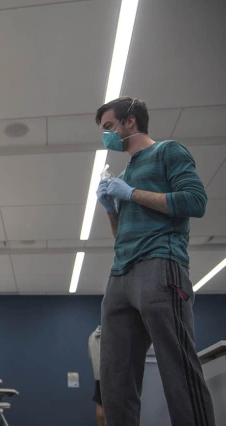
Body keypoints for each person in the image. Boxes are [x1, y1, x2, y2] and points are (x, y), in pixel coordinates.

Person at [95, 97, 215, 426]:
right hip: (120, 275)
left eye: (108, 127)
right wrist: (110, 208)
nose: (106, 135)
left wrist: (130, 193)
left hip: (160, 265)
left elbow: (195, 201)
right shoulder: (126, 171)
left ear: (129, 121)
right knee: (114, 380)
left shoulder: (168, 151)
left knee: (178, 370)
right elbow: (122, 237)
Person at [88, 325, 104, 426]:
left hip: (98, 375)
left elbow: (90, 356)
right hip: (113, 375)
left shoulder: (91, 336)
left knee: (100, 403)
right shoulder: (112, 334)